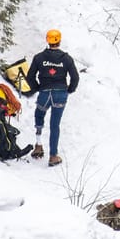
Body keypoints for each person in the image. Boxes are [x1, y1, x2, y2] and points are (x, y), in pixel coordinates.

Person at [25, 28, 79, 167]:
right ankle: (53, 156)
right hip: (60, 94)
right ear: (59, 41)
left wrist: (37, 87)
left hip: (45, 92)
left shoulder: (39, 58)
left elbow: (30, 76)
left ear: (47, 40)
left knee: (39, 116)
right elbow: (75, 77)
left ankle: (38, 145)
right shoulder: (66, 59)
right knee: (55, 125)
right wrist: (69, 90)